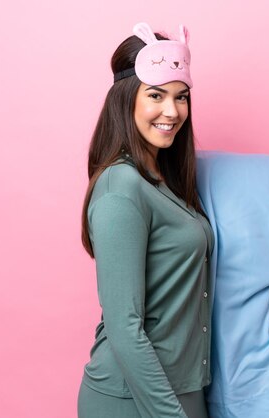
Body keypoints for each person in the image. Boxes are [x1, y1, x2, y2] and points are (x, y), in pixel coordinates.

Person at [77, 22, 214, 418]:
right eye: (156, 95)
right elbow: (124, 326)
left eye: (181, 97)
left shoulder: (167, 183)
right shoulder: (121, 188)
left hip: (186, 389)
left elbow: (185, 281)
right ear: (126, 99)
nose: (172, 111)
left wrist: (261, 298)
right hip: (131, 400)